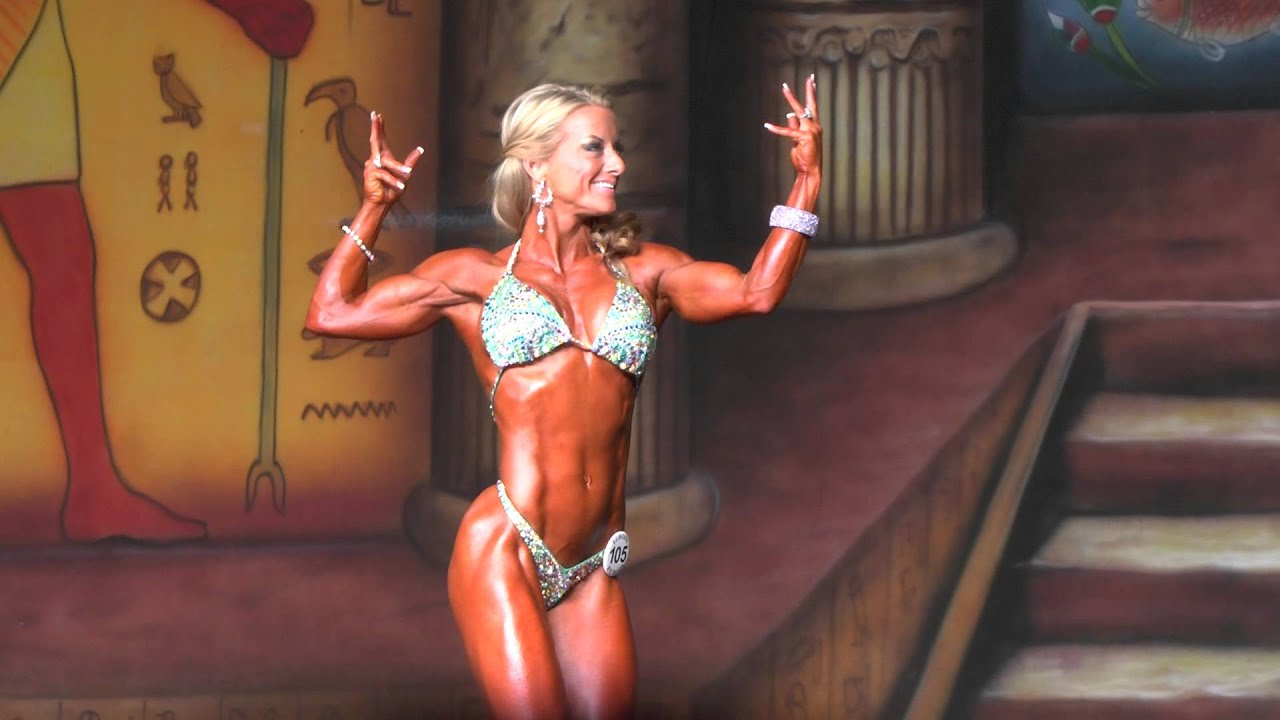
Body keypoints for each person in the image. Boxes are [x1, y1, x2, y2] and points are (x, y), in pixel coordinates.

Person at [305, 76, 822, 719]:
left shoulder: (646, 271)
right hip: (508, 545)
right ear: (536, 165)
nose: (618, 163)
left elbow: (756, 292)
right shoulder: (475, 278)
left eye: (618, 147)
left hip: (593, 562)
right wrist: (374, 208)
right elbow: (332, 313)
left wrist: (805, 184)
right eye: (595, 148)